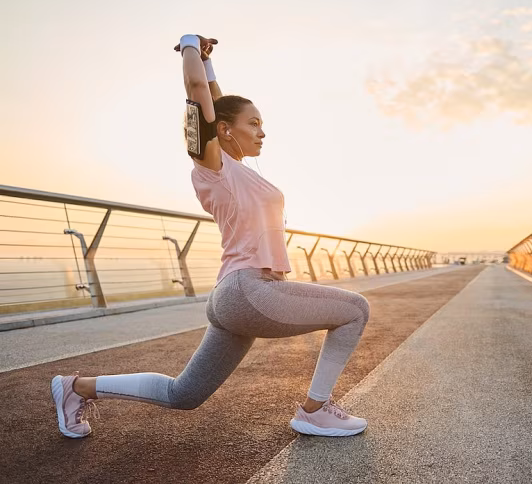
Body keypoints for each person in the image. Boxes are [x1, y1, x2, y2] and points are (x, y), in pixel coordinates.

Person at [51, 34, 370, 439]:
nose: (262, 132)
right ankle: (316, 410)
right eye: (253, 124)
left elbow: (214, 99)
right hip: (250, 289)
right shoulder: (212, 167)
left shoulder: (238, 169)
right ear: (224, 130)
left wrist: (208, 62)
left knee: (183, 393)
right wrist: (188, 46)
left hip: (232, 297)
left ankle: (74, 387)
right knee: (355, 310)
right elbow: (198, 93)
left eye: (262, 124)